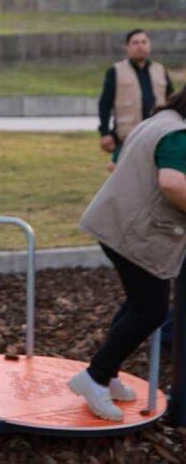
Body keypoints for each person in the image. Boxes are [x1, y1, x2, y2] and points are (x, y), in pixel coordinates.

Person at [70, 87, 186, 422]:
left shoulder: (160, 120)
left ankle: (107, 373)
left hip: (116, 224)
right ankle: (94, 377)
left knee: (138, 304)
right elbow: (172, 183)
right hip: (137, 235)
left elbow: (117, 162)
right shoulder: (178, 135)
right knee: (151, 311)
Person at [98, 29, 174, 161]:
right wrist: (105, 133)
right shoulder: (116, 71)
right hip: (127, 138)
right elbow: (104, 104)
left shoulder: (160, 70)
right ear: (127, 47)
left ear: (149, 45)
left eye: (144, 42)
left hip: (158, 136)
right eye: (135, 43)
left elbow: (172, 102)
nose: (140, 46)